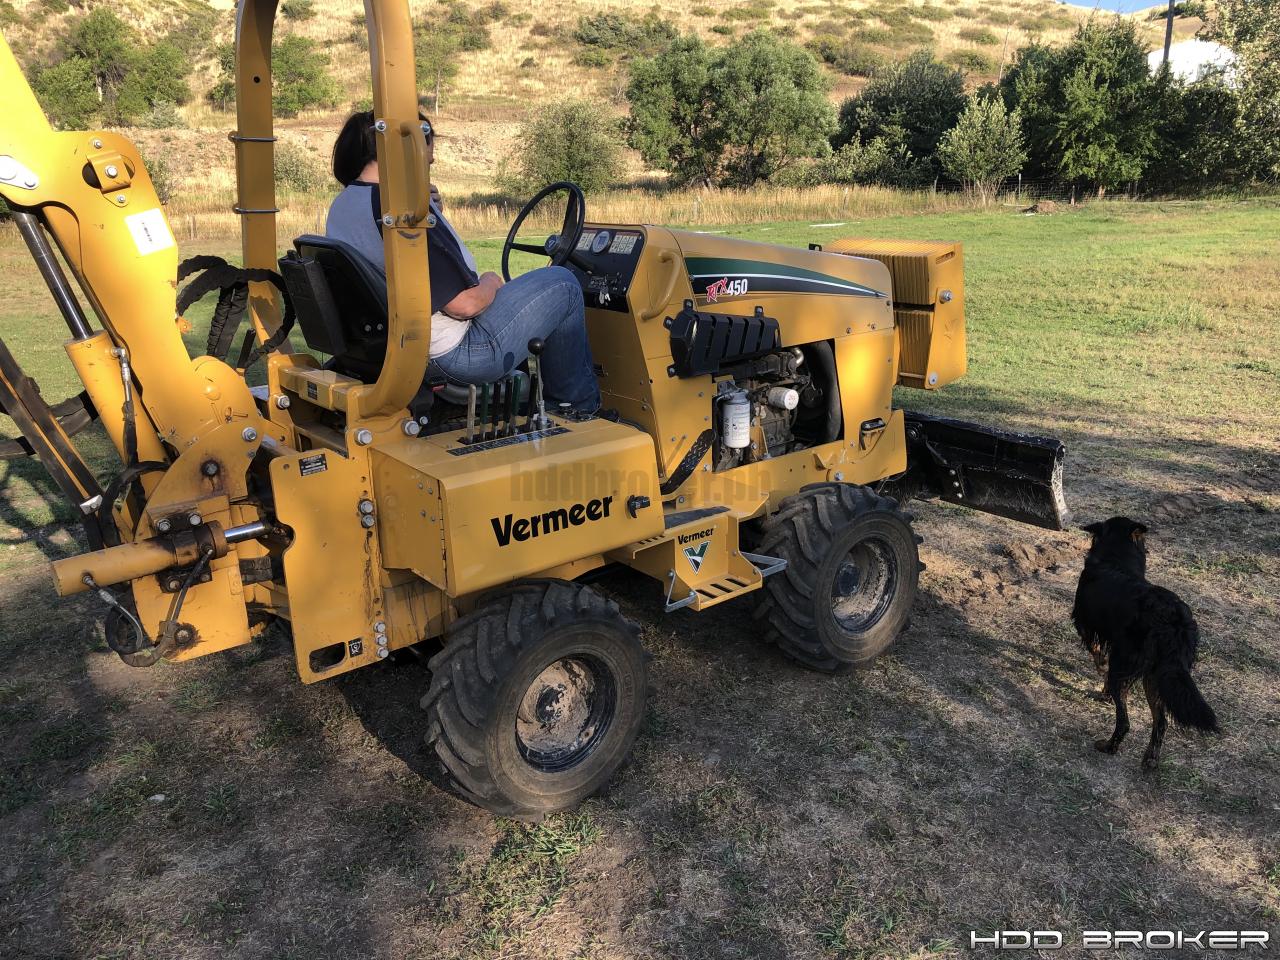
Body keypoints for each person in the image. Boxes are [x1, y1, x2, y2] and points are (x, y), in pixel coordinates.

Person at [325, 110, 599, 412]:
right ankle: (577, 410)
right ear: (405, 150)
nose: (428, 169)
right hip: (455, 354)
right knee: (563, 283)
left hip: (393, 346)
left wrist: (435, 214)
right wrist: (491, 282)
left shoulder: (345, 204)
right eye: (427, 161)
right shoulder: (402, 213)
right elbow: (464, 305)